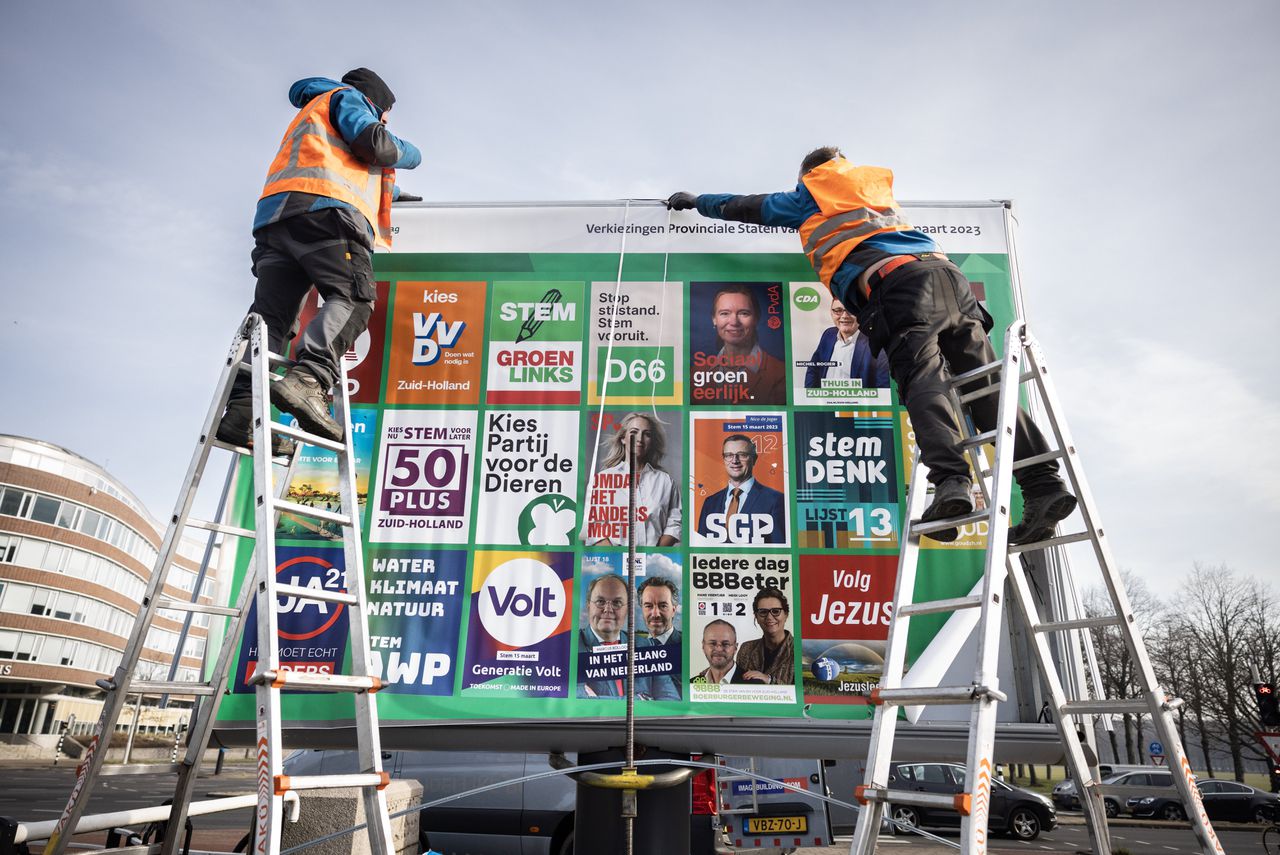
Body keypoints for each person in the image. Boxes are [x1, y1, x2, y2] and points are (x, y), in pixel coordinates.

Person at [668, 149, 1075, 544]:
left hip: (899, 287)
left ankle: (952, 482)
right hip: (950, 278)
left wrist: (697, 201)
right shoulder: (873, 190)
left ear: (808, 174)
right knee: (985, 388)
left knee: (922, 381)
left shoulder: (813, 191)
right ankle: (1044, 486)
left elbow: (746, 206)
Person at [217, 69, 421, 452]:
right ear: (377, 101)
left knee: (271, 321)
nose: (386, 121)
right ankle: (309, 380)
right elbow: (374, 143)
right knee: (355, 298)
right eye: (386, 113)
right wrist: (411, 153)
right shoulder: (347, 98)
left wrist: (386, 195)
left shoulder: (314, 111)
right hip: (324, 214)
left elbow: (339, 160)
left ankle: (241, 414)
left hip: (279, 220)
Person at [583, 413, 681, 546]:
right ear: (623, 438)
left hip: (653, 561)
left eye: (647, 434)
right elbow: (595, 528)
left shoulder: (666, 482)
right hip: (613, 562)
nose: (639, 439)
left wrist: (652, 556)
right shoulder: (603, 479)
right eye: (634, 432)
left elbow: (675, 524)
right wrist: (615, 559)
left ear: (651, 441)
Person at [578, 575, 677, 699]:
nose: (608, 609)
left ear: (628, 609)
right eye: (600, 602)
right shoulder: (569, 647)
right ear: (588, 605)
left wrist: (597, 700)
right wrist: (641, 699)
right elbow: (578, 700)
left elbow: (671, 698)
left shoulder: (645, 646)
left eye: (617, 603)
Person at [696, 285, 786, 405]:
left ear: (756, 318)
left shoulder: (780, 373)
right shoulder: (696, 373)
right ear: (714, 319)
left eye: (744, 313)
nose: (734, 322)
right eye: (724, 313)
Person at [695, 434, 786, 545]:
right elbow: (701, 548)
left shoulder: (776, 500)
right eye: (729, 455)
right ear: (724, 459)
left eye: (742, 455)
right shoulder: (710, 502)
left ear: (754, 459)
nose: (735, 461)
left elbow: (780, 549)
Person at [804, 298, 890, 390]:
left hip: (857, 403)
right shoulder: (828, 335)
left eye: (851, 310)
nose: (844, 316)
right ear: (831, 313)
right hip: (826, 402)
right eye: (838, 310)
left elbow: (883, 388)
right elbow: (814, 368)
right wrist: (812, 398)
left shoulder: (876, 341)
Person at [736, 587, 795, 686]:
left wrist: (768, 680)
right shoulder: (746, 649)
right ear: (756, 617)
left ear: (786, 614)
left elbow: (802, 692)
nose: (769, 617)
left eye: (776, 611)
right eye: (763, 612)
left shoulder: (799, 649)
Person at [638, 577, 682, 698]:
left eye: (663, 606)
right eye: (648, 606)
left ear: (674, 609)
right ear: (642, 609)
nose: (655, 613)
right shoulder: (632, 648)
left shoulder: (687, 649)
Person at [691, 620, 749, 685]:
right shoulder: (691, 684)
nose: (719, 649)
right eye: (712, 643)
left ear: (735, 648)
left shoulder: (755, 684)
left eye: (725, 644)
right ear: (703, 646)